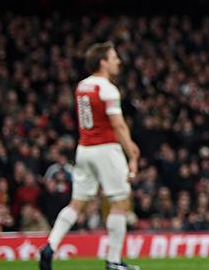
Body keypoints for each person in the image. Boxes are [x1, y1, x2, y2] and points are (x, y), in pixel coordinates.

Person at [40, 42, 141, 270]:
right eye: (114, 57)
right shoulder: (107, 88)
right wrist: (131, 151)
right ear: (102, 62)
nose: (118, 61)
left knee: (77, 204)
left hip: (84, 149)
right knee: (120, 202)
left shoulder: (82, 86)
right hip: (106, 149)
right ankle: (113, 261)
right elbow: (118, 125)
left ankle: (50, 246)